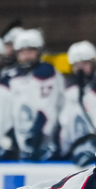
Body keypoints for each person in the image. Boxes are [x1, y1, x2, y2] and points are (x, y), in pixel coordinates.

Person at [8, 29, 63, 162]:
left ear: (39, 52)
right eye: (22, 52)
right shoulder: (14, 77)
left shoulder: (46, 73)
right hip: (24, 145)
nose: (26, 56)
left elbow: (46, 110)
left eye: (30, 51)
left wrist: (36, 137)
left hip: (45, 145)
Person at [59, 40, 96, 166]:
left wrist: (95, 148)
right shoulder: (71, 90)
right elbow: (66, 124)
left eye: (85, 63)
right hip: (76, 151)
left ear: (94, 63)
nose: (80, 68)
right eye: (76, 65)